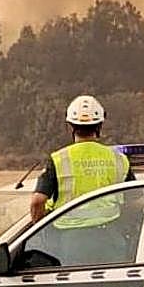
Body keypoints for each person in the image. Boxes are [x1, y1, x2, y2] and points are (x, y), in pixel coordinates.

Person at [29, 95, 133, 223]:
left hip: (68, 237)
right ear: (100, 126)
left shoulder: (59, 159)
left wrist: (41, 229)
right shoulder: (119, 159)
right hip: (111, 234)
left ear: (70, 127)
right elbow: (135, 200)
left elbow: (37, 201)